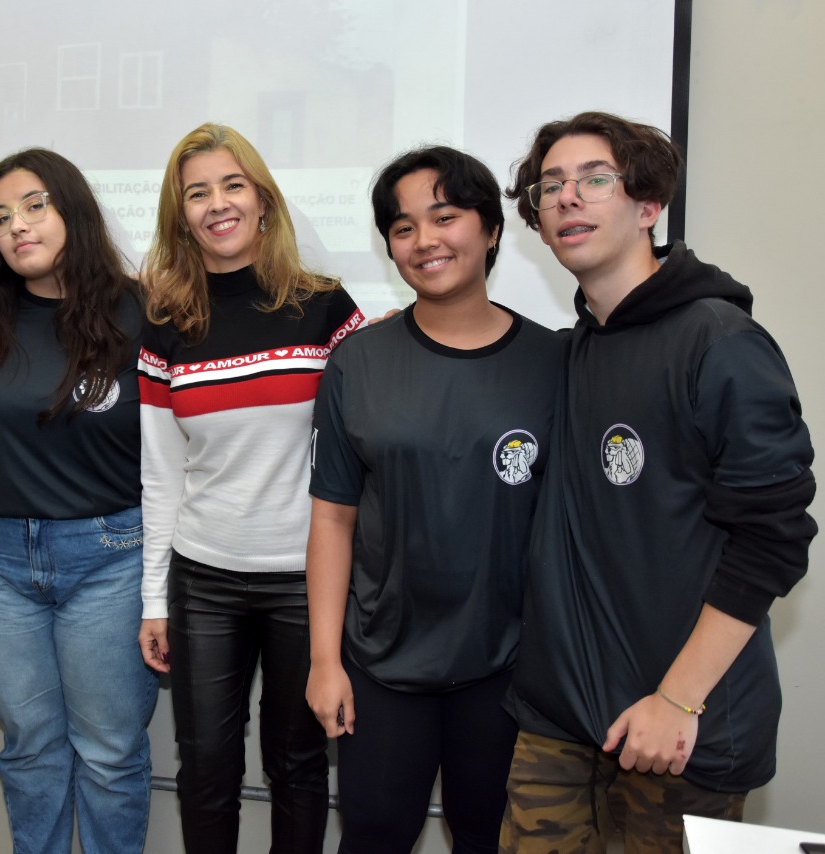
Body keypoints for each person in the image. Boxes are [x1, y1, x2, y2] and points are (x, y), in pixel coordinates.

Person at [498, 111, 816, 852]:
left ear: (648, 206)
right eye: (551, 187)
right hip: (559, 718)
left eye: (594, 179)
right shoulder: (573, 352)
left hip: (681, 728)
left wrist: (678, 699)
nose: (567, 197)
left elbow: (773, 539)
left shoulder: (719, 341)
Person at [304, 146, 563, 853]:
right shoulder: (359, 361)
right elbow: (332, 518)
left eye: (444, 217)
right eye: (403, 227)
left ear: (491, 230)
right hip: (382, 664)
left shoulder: (554, 363)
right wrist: (325, 661)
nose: (424, 240)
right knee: (375, 834)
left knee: (490, 838)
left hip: (507, 666)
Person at [137, 122, 363, 854]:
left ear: (263, 199)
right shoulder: (167, 321)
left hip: (307, 580)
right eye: (197, 193)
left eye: (233, 185)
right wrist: (153, 598)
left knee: (298, 765)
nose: (218, 204)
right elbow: (160, 475)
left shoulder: (325, 305)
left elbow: (370, 433)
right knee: (206, 769)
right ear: (180, 214)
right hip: (204, 579)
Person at [0, 148, 157, 853]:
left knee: (109, 749)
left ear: (74, 209)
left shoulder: (140, 311)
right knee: (29, 746)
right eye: (0, 216)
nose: (18, 225)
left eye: (35, 205)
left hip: (109, 558)